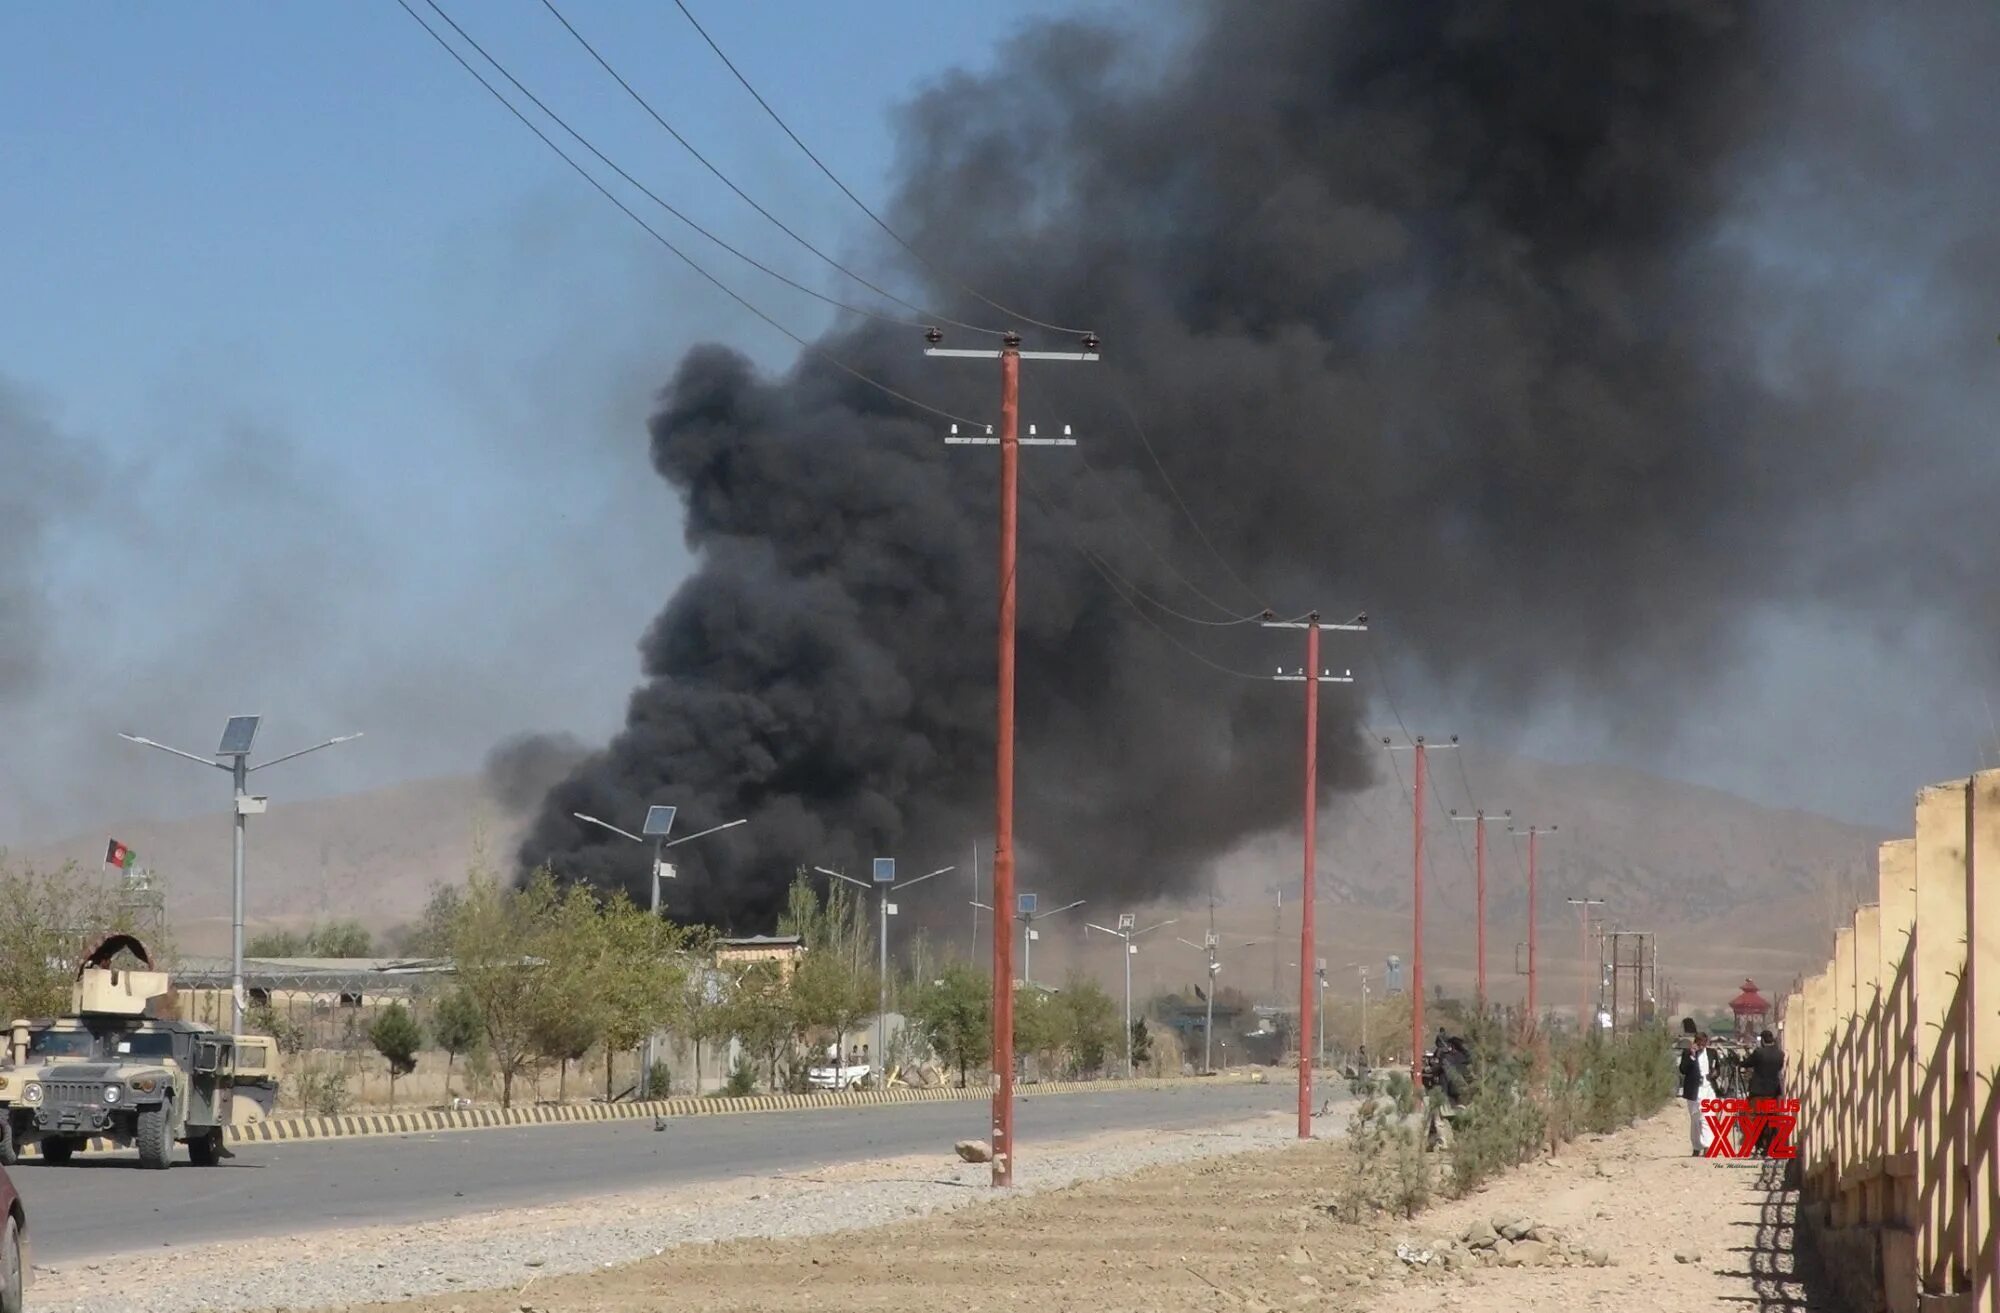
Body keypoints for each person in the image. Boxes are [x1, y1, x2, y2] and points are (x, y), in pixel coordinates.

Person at [1746, 1029, 1786, 1156]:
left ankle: (1758, 1145)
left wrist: (1740, 1062)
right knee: (1771, 1119)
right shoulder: (1780, 1054)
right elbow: (1779, 1068)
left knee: (1756, 1119)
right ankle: (1769, 1147)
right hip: (1773, 1091)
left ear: (1762, 1040)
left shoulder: (1758, 1052)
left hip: (1757, 1091)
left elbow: (1748, 1063)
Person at [1680, 1031, 1719, 1156]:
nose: (1701, 1047)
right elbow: (1683, 1069)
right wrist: (1692, 1055)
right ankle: (1697, 1146)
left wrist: (1715, 1074)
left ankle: (1707, 1146)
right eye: (1699, 1044)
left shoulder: (1712, 1053)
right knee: (1696, 1119)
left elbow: (1718, 1068)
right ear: (1695, 1043)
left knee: (1708, 1117)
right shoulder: (1687, 1053)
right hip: (1694, 1090)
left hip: (1708, 1089)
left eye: (1704, 1044)